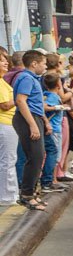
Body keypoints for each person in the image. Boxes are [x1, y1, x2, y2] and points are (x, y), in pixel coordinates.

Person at [12, 50, 47, 210]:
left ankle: (31, 192)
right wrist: (33, 124)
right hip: (27, 118)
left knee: (38, 156)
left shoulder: (31, 78)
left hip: (34, 117)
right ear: (34, 63)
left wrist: (43, 121)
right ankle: (26, 195)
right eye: (43, 63)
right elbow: (20, 100)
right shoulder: (26, 78)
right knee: (35, 157)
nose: (45, 66)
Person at [0, 61, 17, 205]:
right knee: (8, 160)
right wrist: (19, 98)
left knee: (8, 160)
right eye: (1, 60)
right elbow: (5, 105)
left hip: (8, 123)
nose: (5, 62)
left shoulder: (2, 81)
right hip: (5, 123)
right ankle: (7, 196)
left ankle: (10, 194)